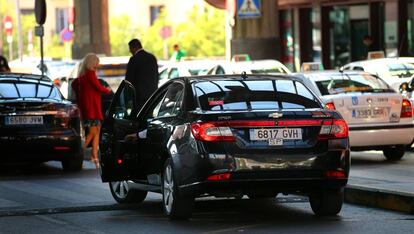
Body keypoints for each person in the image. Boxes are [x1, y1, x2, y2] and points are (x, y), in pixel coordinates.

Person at [71, 53, 111, 168]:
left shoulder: (82, 77)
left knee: (97, 131)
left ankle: (94, 156)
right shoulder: (91, 74)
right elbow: (98, 87)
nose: (98, 65)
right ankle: (79, 153)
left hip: (88, 109)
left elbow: (74, 84)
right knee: (93, 132)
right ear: (93, 63)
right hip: (93, 109)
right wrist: (107, 90)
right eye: (97, 63)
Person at [125, 38, 159, 111]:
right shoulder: (152, 57)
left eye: (130, 48)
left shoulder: (134, 59)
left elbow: (129, 79)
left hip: (139, 97)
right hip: (152, 94)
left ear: (134, 48)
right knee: (149, 114)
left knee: (139, 117)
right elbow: (157, 76)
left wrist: (128, 96)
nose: (129, 51)